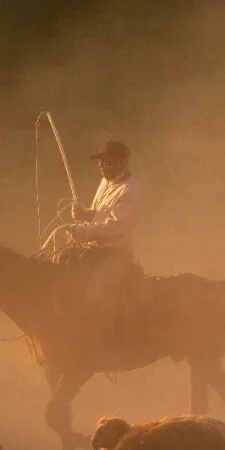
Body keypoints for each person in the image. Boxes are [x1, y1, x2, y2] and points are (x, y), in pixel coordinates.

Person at [60, 140, 144, 341]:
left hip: (116, 253)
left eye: (107, 162)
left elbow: (114, 226)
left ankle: (100, 338)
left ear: (123, 163)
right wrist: (85, 214)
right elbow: (100, 216)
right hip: (92, 250)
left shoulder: (131, 190)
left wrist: (81, 231)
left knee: (93, 291)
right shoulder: (105, 182)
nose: (101, 166)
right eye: (100, 162)